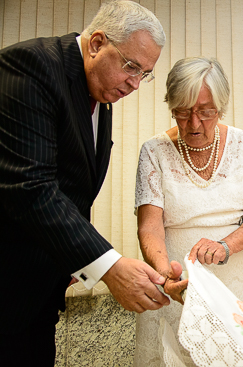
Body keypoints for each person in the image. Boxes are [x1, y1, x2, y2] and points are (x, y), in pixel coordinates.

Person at [0, 1, 174, 365]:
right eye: (131, 67)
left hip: (38, 292)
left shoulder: (100, 92)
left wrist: (71, 260)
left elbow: (74, 190)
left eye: (145, 74)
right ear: (97, 43)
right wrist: (108, 266)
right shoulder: (32, 66)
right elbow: (32, 188)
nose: (135, 84)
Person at [133, 56, 243, 366]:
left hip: (234, 288)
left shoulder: (241, 143)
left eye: (205, 112)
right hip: (177, 288)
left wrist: (225, 246)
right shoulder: (153, 151)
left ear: (220, 107)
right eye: (182, 112)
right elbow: (150, 227)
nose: (194, 124)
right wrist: (165, 272)